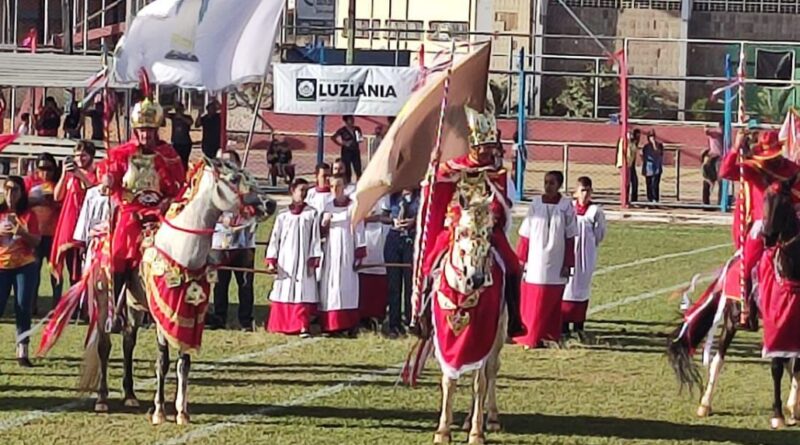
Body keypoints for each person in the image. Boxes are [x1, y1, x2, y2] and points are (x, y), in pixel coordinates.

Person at [413, 106, 525, 340]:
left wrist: (492, 214)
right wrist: (433, 167)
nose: (488, 153)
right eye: (484, 148)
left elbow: (503, 202)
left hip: (486, 231)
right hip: (459, 230)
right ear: (473, 145)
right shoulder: (454, 167)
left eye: (491, 148)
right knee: (431, 263)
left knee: (513, 266)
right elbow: (437, 188)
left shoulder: (496, 173)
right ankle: (421, 316)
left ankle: (514, 318)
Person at [105, 95, 186, 325]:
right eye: (141, 130)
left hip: (160, 213)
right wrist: (108, 180)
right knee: (119, 250)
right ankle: (116, 308)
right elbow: (111, 179)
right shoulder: (122, 154)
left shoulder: (169, 155)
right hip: (132, 212)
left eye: (150, 130)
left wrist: (169, 201)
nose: (145, 135)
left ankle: (175, 300)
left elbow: (180, 187)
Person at [718, 129, 800, 328]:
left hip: (789, 219)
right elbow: (725, 172)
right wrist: (736, 147)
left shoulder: (792, 169)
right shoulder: (753, 167)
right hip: (762, 222)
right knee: (748, 260)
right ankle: (746, 306)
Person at [514, 171, 578, 349]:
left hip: (556, 260)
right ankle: (530, 337)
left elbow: (570, 236)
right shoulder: (536, 204)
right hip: (536, 261)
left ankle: (549, 336)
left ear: (559, 185)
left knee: (551, 300)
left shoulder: (566, 206)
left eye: (551, 183)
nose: (548, 186)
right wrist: (521, 259)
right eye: (546, 182)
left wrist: (568, 263)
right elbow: (525, 235)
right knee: (535, 299)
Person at [206, 150, 257, 331]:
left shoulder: (248, 183)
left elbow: (256, 207)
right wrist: (221, 218)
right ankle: (220, 317)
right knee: (219, 282)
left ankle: (245, 320)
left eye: (229, 161)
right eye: (221, 161)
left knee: (245, 282)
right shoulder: (213, 183)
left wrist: (241, 215)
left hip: (244, 241)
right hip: (219, 241)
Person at [265, 178, 322, 337]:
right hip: (286, 259)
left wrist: (314, 257)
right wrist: (272, 260)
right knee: (284, 290)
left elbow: (315, 237)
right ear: (292, 191)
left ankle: (303, 326)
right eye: (300, 190)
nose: (303, 194)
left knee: (302, 291)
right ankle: (281, 324)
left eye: (305, 191)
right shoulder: (283, 215)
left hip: (304, 259)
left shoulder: (312, 213)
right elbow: (275, 238)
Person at [0, 176, 41, 367]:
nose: (10, 194)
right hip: (1, 266)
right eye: (7, 189)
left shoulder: (29, 214)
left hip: (25, 266)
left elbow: (36, 241)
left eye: (14, 190)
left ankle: (22, 350)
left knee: (23, 307)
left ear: (21, 192)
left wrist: (21, 231)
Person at [318, 174, 366, 335]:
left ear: (344, 187)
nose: (335, 190)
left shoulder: (353, 206)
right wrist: (324, 225)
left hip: (347, 250)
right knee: (330, 287)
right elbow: (320, 232)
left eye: (338, 186)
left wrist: (359, 253)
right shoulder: (328, 206)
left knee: (346, 286)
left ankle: (348, 323)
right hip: (331, 251)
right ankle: (330, 324)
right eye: (332, 187)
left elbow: (358, 228)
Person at [562, 176, 606, 341]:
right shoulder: (569, 208)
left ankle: (579, 325)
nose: (585, 194)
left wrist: (589, 244)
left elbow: (600, 233)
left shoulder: (595, 211)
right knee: (567, 286)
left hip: (586, 255)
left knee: (581, 287)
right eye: (582, 190)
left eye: (588, 191)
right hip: (569, 251)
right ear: (576, 192)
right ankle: (564, 324)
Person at [51, 141, 98, 288]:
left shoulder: (97, 172)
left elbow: (95, 190)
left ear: (91, 156)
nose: (79, 159)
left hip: (89, 228)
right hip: (71, 229)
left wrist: (80, 175)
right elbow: (57, 196)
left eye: (83, 156)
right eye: (76, 156)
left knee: (89, 273)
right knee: (73, 273)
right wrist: (64, 175)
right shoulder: (70, 175)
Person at [25, 153, 61, 312]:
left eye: (49, 169)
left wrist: (54, 203)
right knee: (34, 271)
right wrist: (38, 201)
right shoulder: (30, 182)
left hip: (54, 234)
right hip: (35, 234)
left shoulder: (58, 184)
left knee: (55, 271)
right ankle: (32, 304)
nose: (45, 172)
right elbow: (19, 201)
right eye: (42, 168)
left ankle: (57, 305)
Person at [384, 188, 418, 338]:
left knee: (411, 284)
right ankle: (394, 324)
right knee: (393, 285)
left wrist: (414, 221)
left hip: (411, 239)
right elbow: (383, 216)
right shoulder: (392, 196)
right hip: (394, 239)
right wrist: (393, 220)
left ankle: (411, 320)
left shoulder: (420, 195)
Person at [358, 195, 391, 329]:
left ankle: (379, 314)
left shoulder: (386, 194)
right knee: (364, 275)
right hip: (365, 234)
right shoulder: (360, 192)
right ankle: (364, 315)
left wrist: (378, 218)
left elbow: (387, 215)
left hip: (381, 235)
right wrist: (373, 217)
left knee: (380, 274)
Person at [331, 115, 363, 183]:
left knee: (358, 169)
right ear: (346, 121)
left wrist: (359, 138)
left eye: (352, 119)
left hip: (355, 150)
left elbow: (360, 138)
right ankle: (348, 183)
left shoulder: (357, 128)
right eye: (350, 119)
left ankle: (359, 183)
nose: (352, 121)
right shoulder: (342, 130)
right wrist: (342, 144)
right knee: (347, 169)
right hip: (346, 151)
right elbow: (333, 137)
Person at [702, 122, 724, 206]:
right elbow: (707, 132)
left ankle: (719, 201)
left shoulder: (722, 135)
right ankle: (706, 202)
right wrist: (706, 127)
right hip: (714, 159)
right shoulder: (717, 134)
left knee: (720, 181)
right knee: (711, 180)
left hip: (719, 158)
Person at [166, 102, 194, 169]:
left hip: (185, 143)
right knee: (176, 161)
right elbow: (164, 114)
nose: (178, 111)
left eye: (179, 109)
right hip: (176, 143)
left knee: (184, 162)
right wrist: (169, 107)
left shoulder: (187, 117)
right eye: (177, 109)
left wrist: (181, 117)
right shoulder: (173, 116)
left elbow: (190, 122)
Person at [616, 129, 641, 203]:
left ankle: (632, 199)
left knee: (633, 181)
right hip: (625, 164)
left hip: (630, 164)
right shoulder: (624, 141)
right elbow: (623, 153)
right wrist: (623, 164)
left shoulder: (633, 143)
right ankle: (625, 198)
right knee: (626, 182)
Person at [641, 130, 664, 203]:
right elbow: (643, 156)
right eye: (650, 136)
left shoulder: (659, 145)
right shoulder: (646, 147)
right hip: (648, 169)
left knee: (655, 185)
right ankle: (649, 200)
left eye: (653, 136)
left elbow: (659, 153)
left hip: (656, 168)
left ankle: (655, 200)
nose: (652, 138)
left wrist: (654, 144)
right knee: (649, 185)